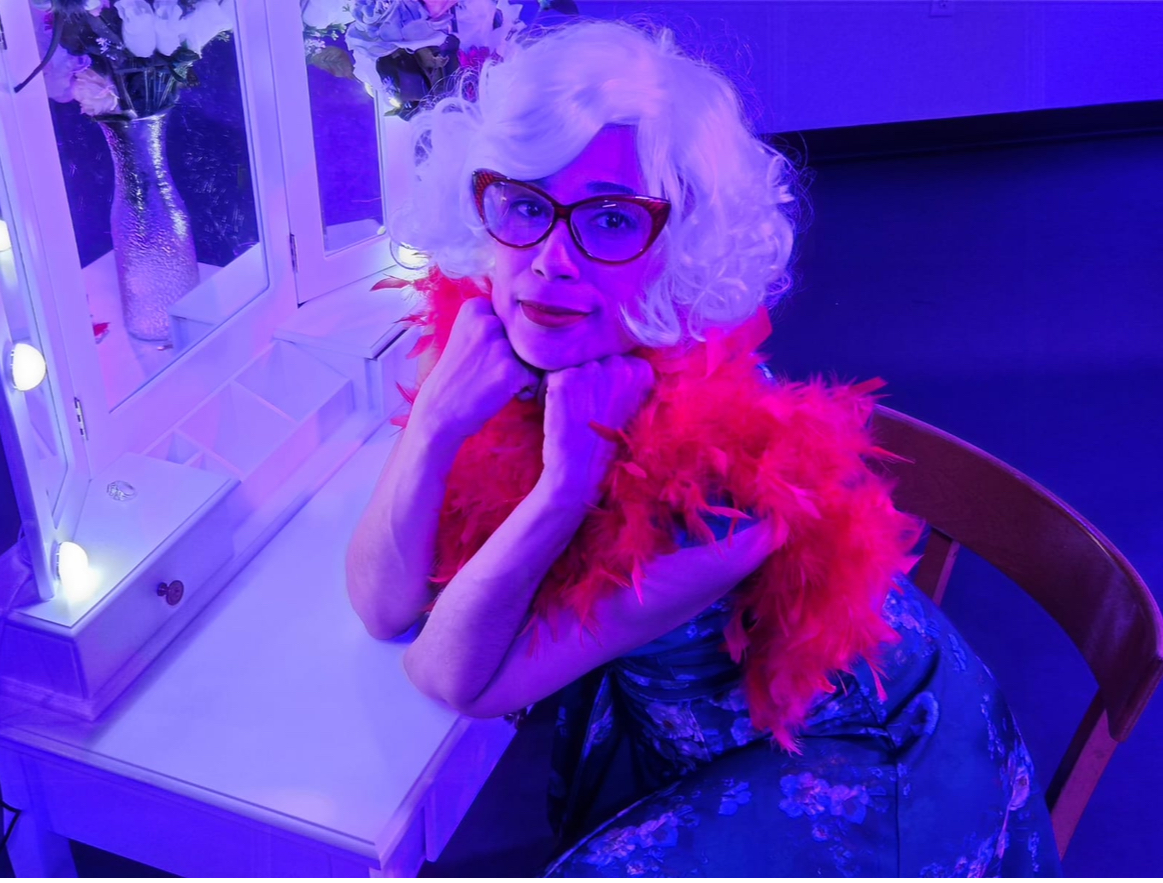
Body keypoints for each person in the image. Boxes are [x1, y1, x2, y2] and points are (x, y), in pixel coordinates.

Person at [345, 17, 1061, 877]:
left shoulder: (729, 493)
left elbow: (449, 676)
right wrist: (435, 423)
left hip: (857, 753)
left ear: (681, 244)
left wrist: (566, 485)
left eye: (613, 219)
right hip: (695, 730)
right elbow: (381, 606)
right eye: (526, 204)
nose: (552, 261)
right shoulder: (507, 336)